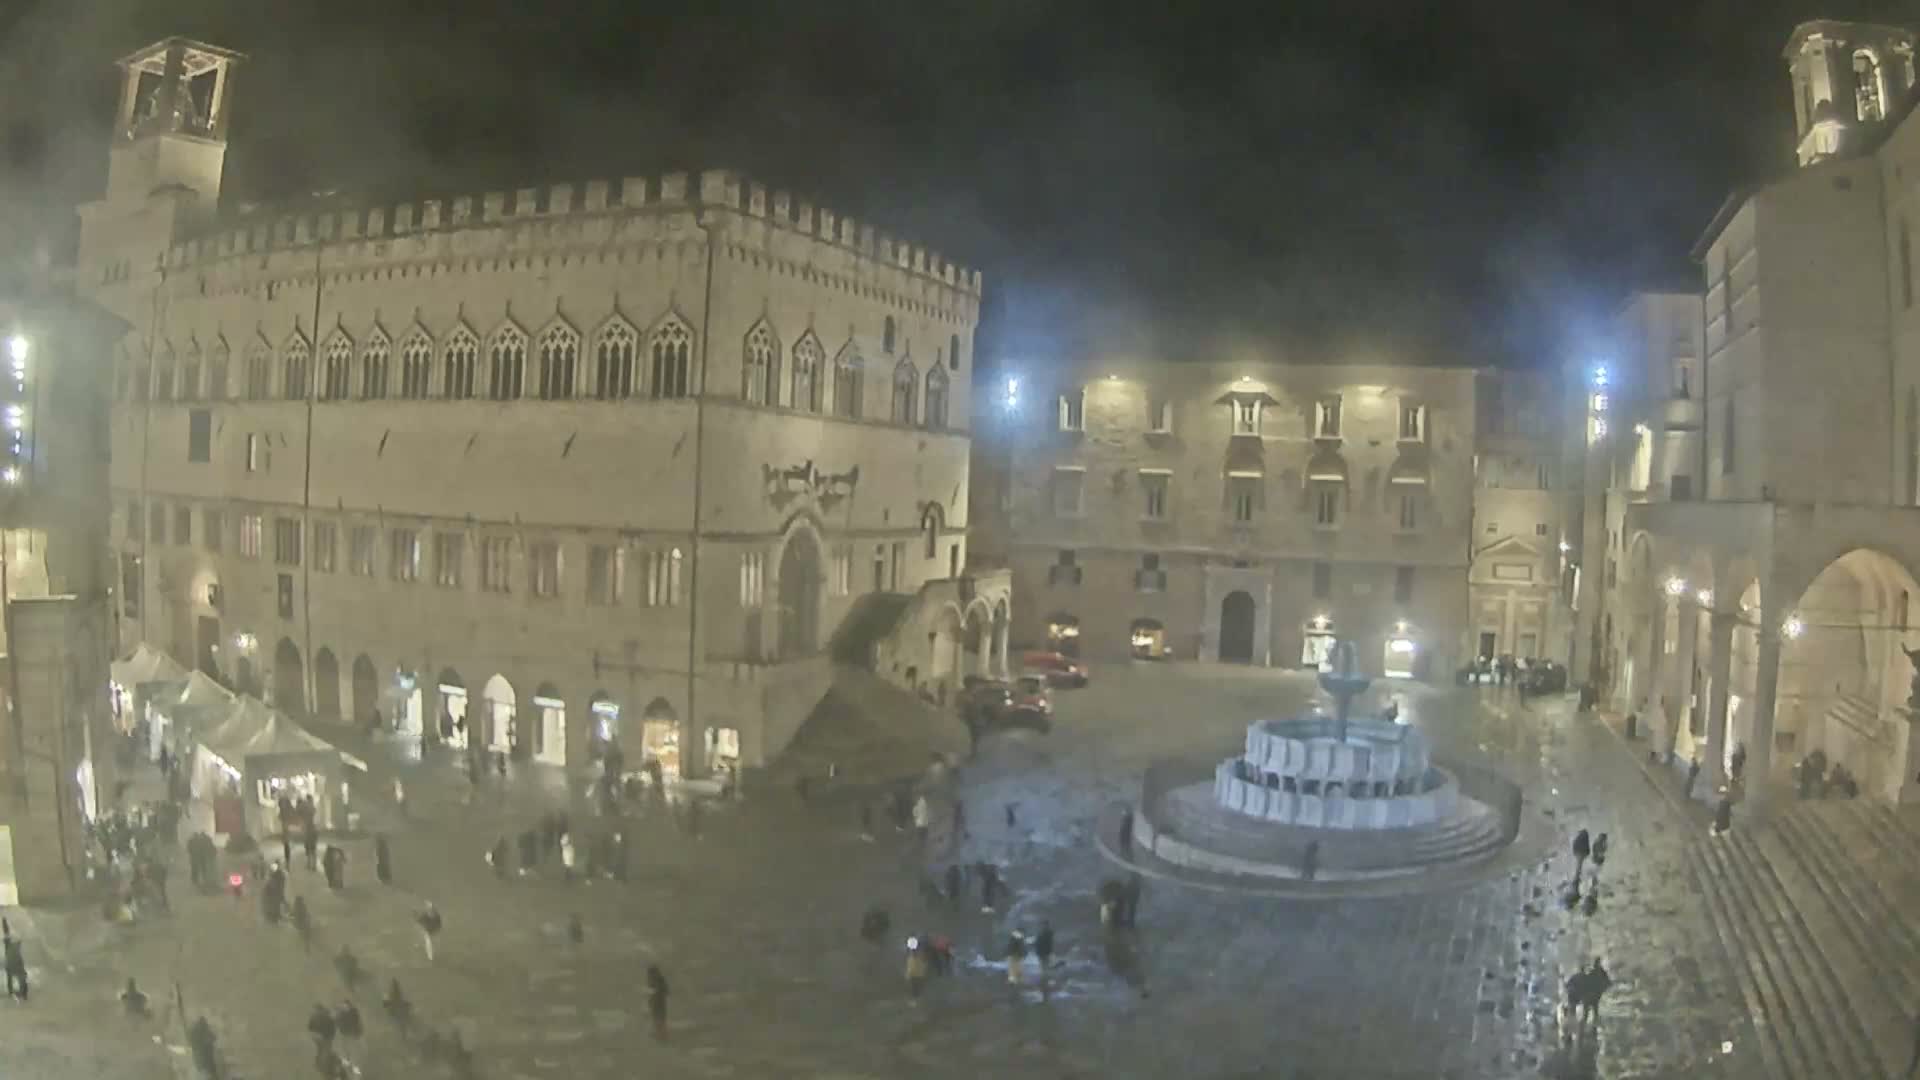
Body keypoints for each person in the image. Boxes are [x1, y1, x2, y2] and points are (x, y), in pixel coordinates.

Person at [646, 965, 669, 1040]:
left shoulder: (659, 981)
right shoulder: (656, 981)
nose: (649, 976)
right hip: (657, 1004)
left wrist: (656, 995)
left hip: (659, 1004)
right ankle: (661, 1035)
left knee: (659, 1020)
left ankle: (662, 1036)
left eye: (650, 974)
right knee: (658, 1020)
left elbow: (665, 991)